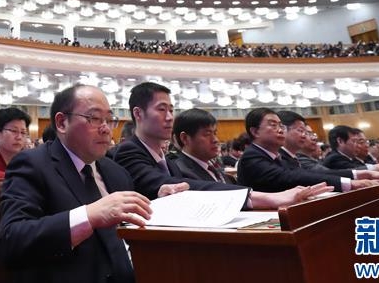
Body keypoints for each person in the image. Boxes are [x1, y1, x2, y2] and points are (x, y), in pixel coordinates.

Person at [0, 84, 159, 283]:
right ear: (62, 122)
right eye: (94, 118)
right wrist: (88, 216)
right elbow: (12, 240)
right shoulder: (32, 164)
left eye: (109, 119)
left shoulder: (116, 172)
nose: (106, 129)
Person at [114, 83, 331, 207]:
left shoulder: (164, 161)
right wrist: (263, 197)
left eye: (171, 109)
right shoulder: (129, 151)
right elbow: (180, 187)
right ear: (138, 113)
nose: (170, 116)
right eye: (162, 109)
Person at [237, 108, 379, 193]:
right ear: (255, 132)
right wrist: (349, 183)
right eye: (273, 125)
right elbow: (291, 178)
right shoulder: (252, 157)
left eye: (281, 125)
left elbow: (306, 174)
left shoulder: (275, 156)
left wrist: (358, 176)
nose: (280, 130)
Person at [278, 111, 379, 183]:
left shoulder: (294, 157)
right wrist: (367, 173)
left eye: (308, 133)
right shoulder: (334, 158)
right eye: (301, 131)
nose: (312, 138)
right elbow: (320, 175)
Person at [170, 108, 230, 183]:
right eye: (207, 134)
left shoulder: (211, 165)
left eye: (214, 133)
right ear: (185, 138)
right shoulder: (180, 172)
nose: (215, 140)